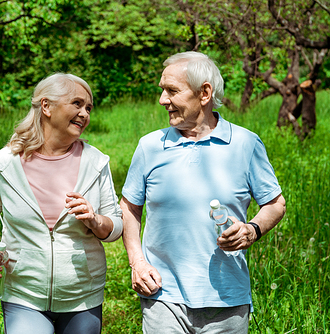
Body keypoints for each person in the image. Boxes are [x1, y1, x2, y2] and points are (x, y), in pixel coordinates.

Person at [121, 51, 286, 333]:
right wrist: (137, 261)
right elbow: (129, 207)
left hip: (227, 299)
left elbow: (275, 203)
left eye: (172, 91)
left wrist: (252, 230)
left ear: (204, 93)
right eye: (162, 90)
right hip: (163, 296)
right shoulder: (149, 146)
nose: (163, 100)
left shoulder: (246, 143)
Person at [0, 73, 123, 334]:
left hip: (82, 295)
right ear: (46, 106)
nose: (84, 113)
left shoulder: (96, 163)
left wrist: (96, 221)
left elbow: (117, 225)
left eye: (88, 108)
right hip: (23, 293)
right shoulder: (7, 163)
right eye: (77, 104)